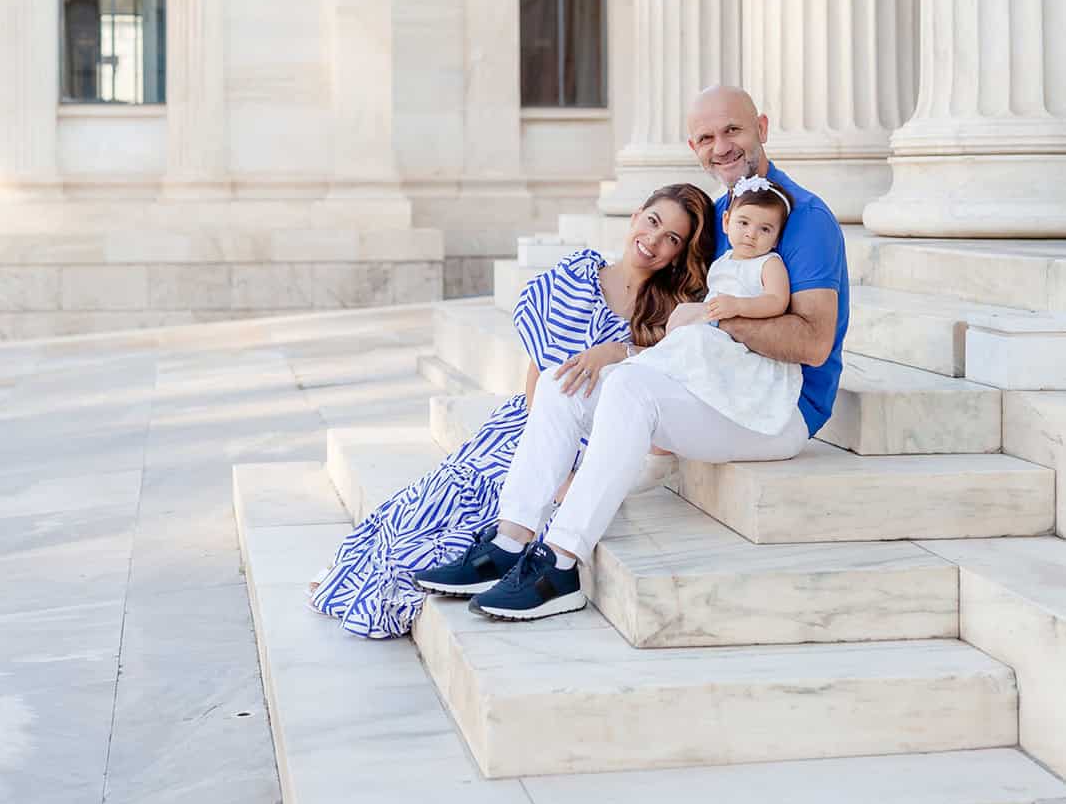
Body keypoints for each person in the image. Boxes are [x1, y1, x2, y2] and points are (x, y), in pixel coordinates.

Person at [422, 84, 849, 623]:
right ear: (693, 147)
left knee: (630, 386)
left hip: (777, 412)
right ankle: (510, 541)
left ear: (762, 129)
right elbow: (678, 321)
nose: (721, 146)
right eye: (705, 137)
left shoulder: (804, 219)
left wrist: (719, 315)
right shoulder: (718, 218)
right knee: (561, 381)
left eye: (733, 131)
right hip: (713, 389)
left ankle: (561, 562)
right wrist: (625, 344)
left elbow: (812, 343)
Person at [309, 183, 715, 637]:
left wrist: (616, 353)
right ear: (637, 214)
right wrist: (535, 437)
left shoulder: (670, 312)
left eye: (672, 239)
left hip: (596, 441)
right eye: (653, 221)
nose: (654, 241)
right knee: (444, 493)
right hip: (536, 420)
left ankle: (502, 555)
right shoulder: (579, 274)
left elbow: (656, 400)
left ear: (680, 255)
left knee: (481, 510)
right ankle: (441, 558)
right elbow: (541, 370)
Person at [638, 174, 801, 443]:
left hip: (744, 341)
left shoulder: (769, 263)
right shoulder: (723, 261)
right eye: (744, 222)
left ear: (776, 238)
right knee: (685, 338)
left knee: (695, 340)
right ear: (726, 222)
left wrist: (738, 306)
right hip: (716, 328)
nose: (751, 233)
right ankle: (655, 376)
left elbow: (776, 300)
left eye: (765, 229)